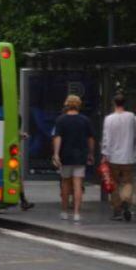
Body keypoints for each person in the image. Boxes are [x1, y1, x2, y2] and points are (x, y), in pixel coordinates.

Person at [52, 94, 95, 223]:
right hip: (80, 156)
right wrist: (91, 153)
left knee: (65, 184)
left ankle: (64, 211)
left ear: (67, 104)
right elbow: (91, 138)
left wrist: (56, 154)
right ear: (79, 105)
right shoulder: (85, 120)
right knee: (78, 184)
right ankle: (76, 213)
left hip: (65, 156)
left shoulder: (61, 120)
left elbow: (57, 137)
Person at [102, 94, 136, 222]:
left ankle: (117, 211)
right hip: (128, 156)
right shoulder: (131, 117)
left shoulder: (109, 119)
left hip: (113, 157)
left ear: (114, 103)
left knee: (115, 183)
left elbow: (106, 138)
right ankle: (126, 202)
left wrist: (104, 155)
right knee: (128, 182)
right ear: (125, 103)